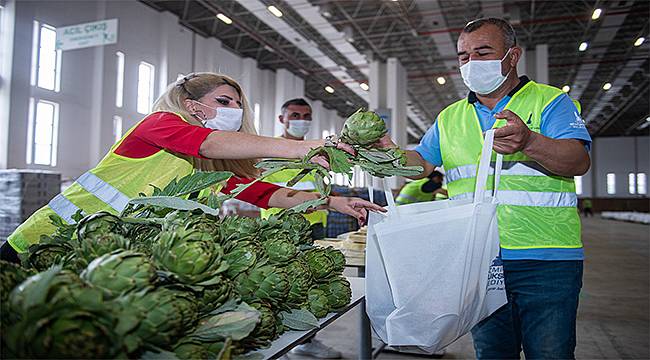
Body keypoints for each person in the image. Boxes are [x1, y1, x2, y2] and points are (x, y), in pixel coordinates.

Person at [376, 18, 591, 359]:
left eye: (483, 52)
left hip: (546, 259)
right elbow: (421, 164)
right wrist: (386, 155)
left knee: (551, 353)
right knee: (492, 352)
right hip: (480, 260)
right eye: (464, 56)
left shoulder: (550, 102)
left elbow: (578, 160)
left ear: (512, 55)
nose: (471, 62)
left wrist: (530, 141)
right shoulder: (450, 117)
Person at [5, 72, 384, 256]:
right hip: (47, 239)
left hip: (104, 254)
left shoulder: (207, 167)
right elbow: (207, 141)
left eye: (237, 104)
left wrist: (333, 202)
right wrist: (306, 147)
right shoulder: (160, 126)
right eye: (223, 101)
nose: (234, 110)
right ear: (191, 104)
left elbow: (263, 193)